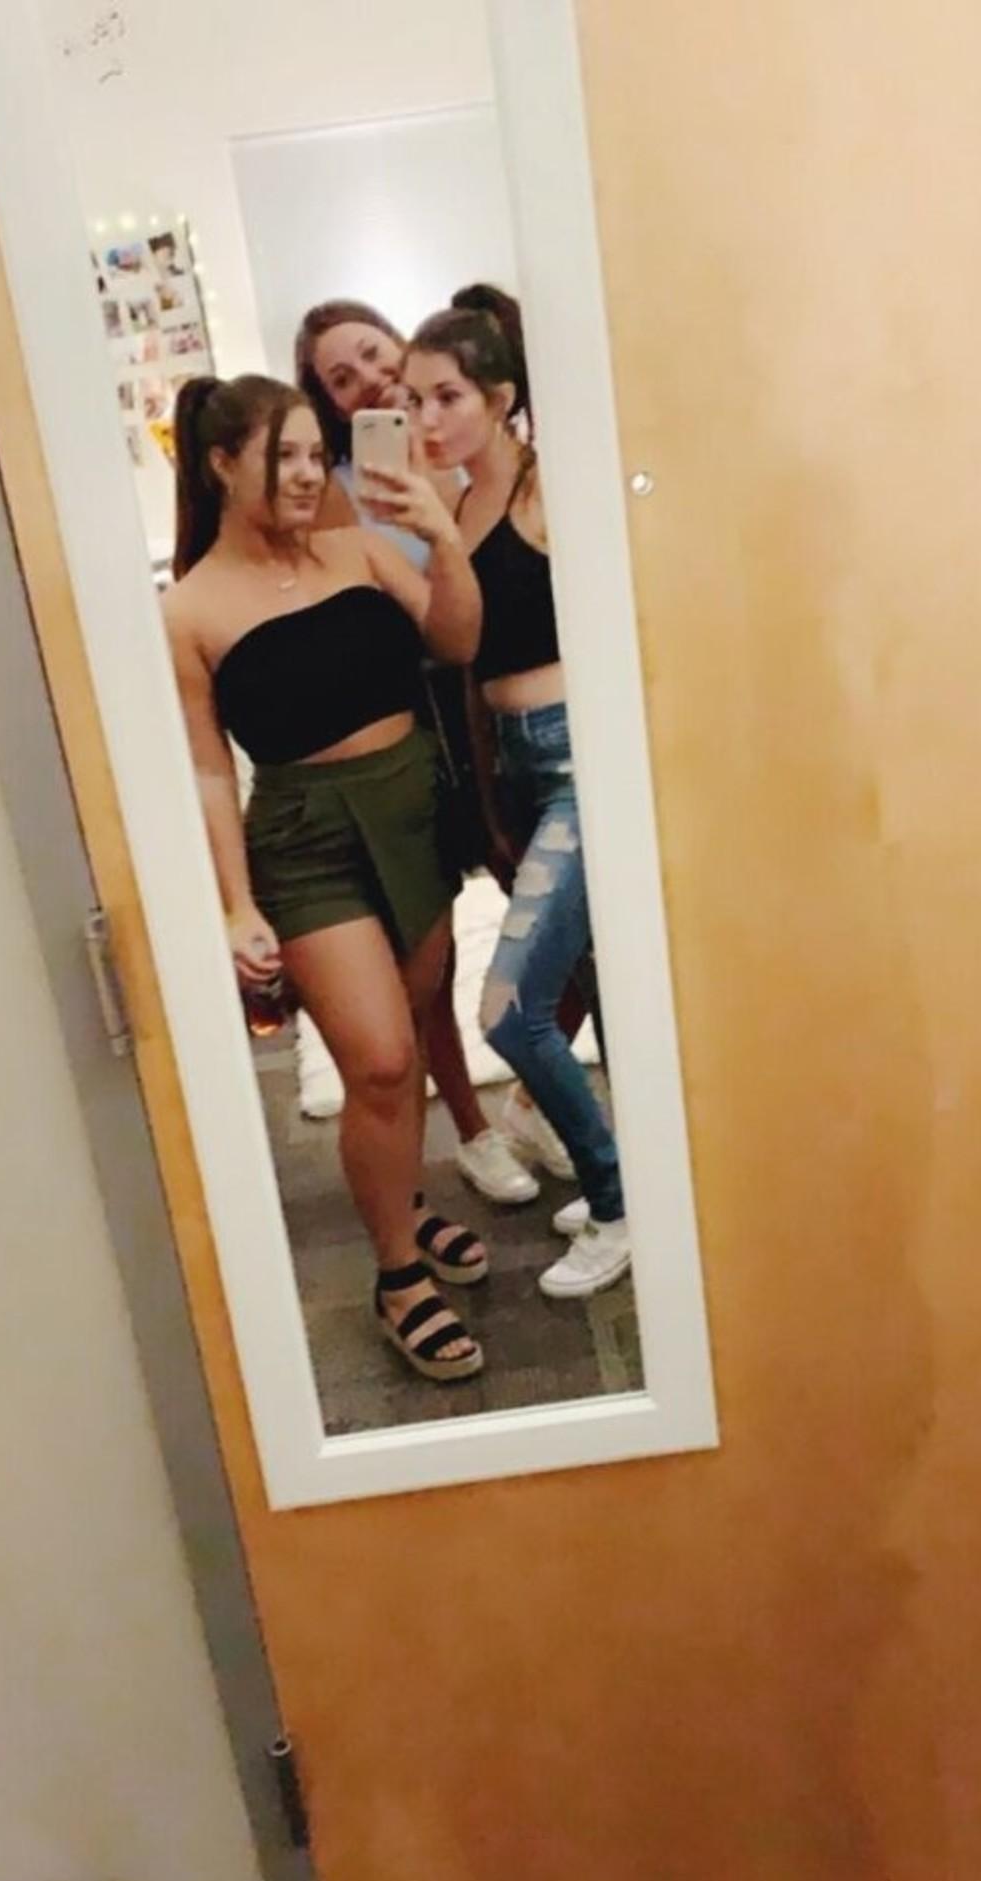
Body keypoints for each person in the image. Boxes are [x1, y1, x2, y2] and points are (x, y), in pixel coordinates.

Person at [161, 372, 488, 1380]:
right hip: (306, 841)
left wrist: (439, 535)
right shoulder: (188, 610)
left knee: (413, 1029)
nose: (309, 474)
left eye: (316, 453)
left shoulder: (356, 550)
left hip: (413, 810)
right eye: (284, 456)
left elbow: (458, 640)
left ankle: (401, 1200)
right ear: (221, 465)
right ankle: (398, 1275)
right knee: (381, 1061)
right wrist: (235, 903)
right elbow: (210, 769)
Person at [295, 300, 578, 1205]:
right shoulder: (342, 488)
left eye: (375, 355)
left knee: (557, 924)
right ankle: (474, 1129)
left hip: (498, 708)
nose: (370, 383)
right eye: (342, 378)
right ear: (327, 400)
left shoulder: (471, 458)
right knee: (436, 947)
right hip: (418, 712)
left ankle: (534, 1099)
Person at [404, 288, 631, 1299]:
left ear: (500, 397)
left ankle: (619, 1201)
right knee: (595, 980)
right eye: (413, 400)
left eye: (447, 396)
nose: (427, 419)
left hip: (582, 756)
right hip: (519, 764)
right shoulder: (458, 509)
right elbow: (461, 661)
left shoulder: (548, 485)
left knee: (509, 1007)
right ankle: (632, 1177)